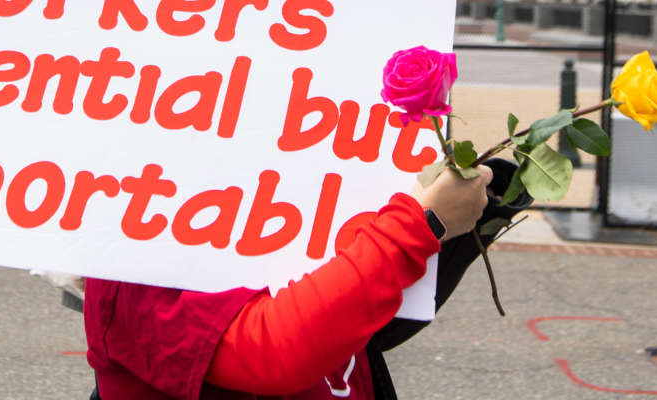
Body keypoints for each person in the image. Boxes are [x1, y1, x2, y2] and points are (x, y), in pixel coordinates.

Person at [83, 158, 531, 399]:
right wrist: (423, 224)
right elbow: (271, 352)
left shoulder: (275, 187)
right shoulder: (134, 249)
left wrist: (471, 210)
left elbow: (364, 324)